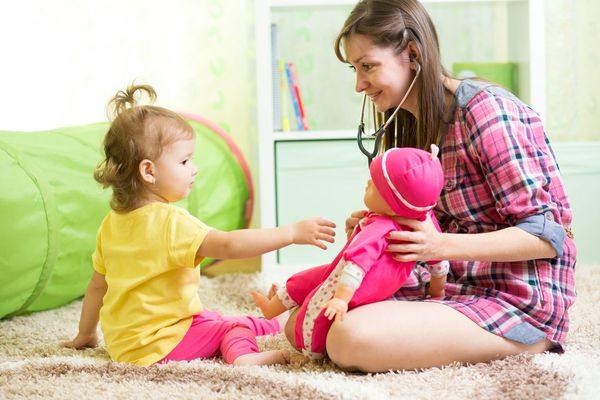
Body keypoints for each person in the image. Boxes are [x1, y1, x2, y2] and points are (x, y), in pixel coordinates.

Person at [281, 0, 576, 372]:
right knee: (302, 324)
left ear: (413, 54)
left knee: (348, 339)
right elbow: (430, 227)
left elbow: (549, 238)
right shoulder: (415, 125)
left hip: (515, 298)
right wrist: (386, 225)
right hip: (449, 283)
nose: (359, 84)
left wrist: (439, 244)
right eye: (354, 70)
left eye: (368, 66)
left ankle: (526, 342)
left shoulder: (488, 112)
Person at [63, 84, 336, 367]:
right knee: (232, 329)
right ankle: (243, 356)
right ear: (148, 171)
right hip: (162, 344)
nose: (194, 168)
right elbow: (229, 245)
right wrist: (290, 233)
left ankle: (272, 324)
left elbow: (97, 286)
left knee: (214, 317)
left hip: (124, 344)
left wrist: (86, 333)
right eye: (184, 161)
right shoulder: (171, 222)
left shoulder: (111, 224)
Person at [252, 146, 450, 360]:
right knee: (309, 278)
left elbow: (357, 266)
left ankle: (309, 351)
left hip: (358, 282)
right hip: (354, 272)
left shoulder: (379, 229)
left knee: (314, 309)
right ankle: (274, 305)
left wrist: (340, 299)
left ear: (393, 207)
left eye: (374, 186)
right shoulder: (425, 221)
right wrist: (437, 292)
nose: (367, 184)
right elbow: (438, 262)